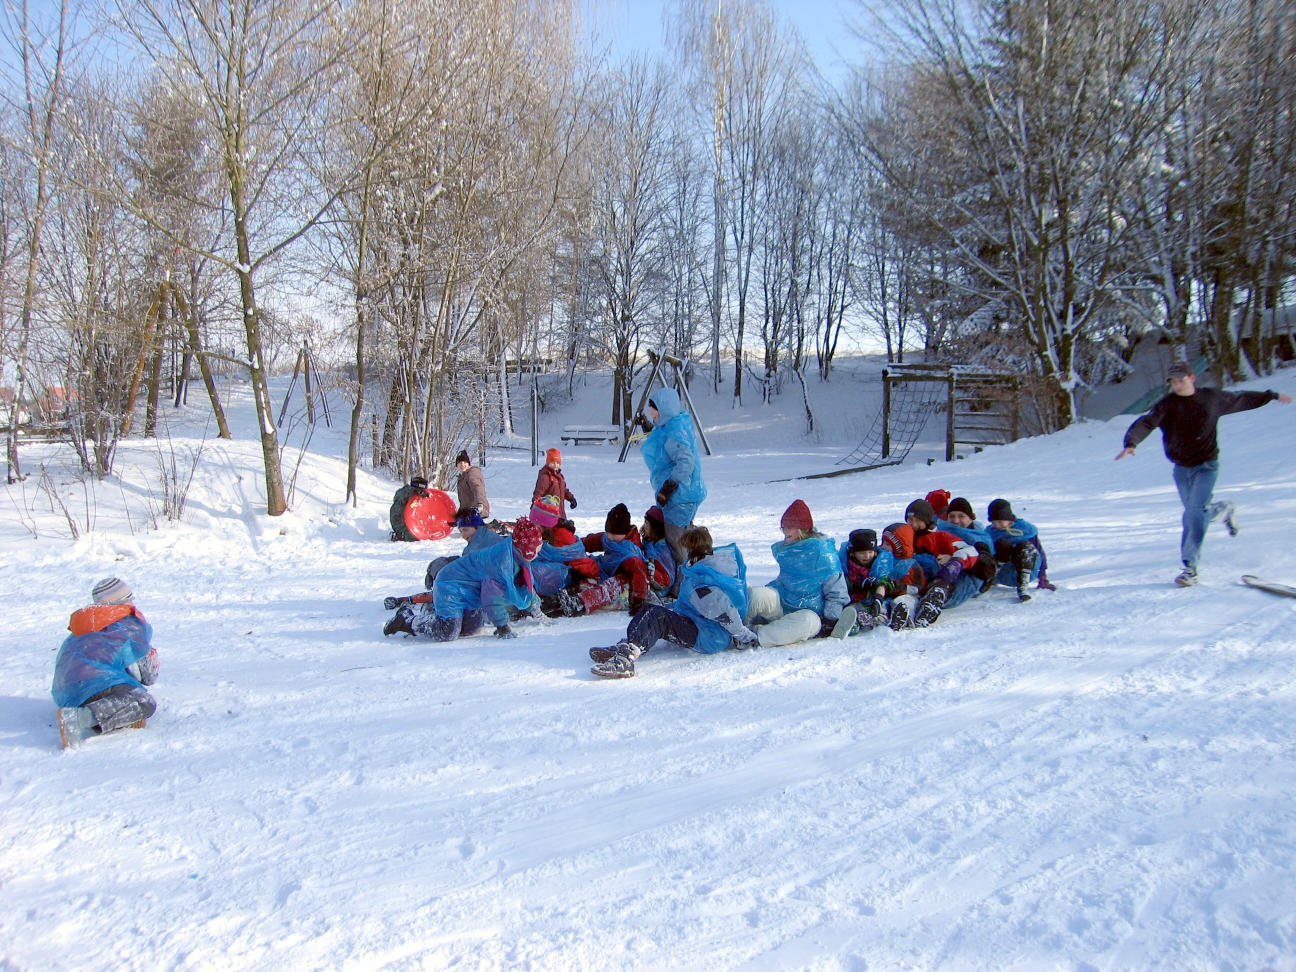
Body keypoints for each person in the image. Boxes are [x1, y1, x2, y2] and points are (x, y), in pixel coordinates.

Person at [1116, 361, 1291, 586]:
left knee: (1193, 513)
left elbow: (1241, 398)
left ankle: (1190, 568)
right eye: (1173, 382)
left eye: (1181, 380)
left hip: (1207, 466)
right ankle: (1222, 510)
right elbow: (1147, 422)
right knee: (1196, 512)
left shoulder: (1211, 398)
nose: (1177, 385)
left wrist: (1272, 395)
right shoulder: (1168, 404)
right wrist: (1132, 443)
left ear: (1192, 378)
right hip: (1181, 469)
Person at [589, 526, 760, 679]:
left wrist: (742, 635)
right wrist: (667, 608)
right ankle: (628, 645)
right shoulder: (703, 568)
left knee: (657, 617)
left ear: (691, 551)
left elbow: (723, 611)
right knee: (651, 609)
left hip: (708, 636)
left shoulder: (702, 581)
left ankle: (626, 659)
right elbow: (691, 605)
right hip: (700, 624)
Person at [383, 517, 542, 640]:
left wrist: (536, 607)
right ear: (527, 549)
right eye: (538, 547)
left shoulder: (514, 554)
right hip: (450, 585)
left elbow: (524, 586)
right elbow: (492, 598)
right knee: (448, 632)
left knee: (470, 629)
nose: (539, 551)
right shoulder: (501, 564)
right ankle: (406, 620)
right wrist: (502, 626)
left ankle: (432, 609)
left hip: (468, 593)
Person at [52, 577, 158, 747]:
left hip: (67, 690)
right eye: (129, 599)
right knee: (143, 702)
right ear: (124, 602)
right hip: (98, 682)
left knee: (119, 695)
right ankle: (79, 718)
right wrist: (151, 658)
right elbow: (145, 674)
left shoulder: (84, 625)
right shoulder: (127, 625)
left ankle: (99, 715)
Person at [745, 500, 853, 646]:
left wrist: (830, 620)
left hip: (812, 614)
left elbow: (837, 594)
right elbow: (785, 580)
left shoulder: (824, 555)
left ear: (802, 528)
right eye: (783, 527)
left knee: (805, 622)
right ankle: (736, 627)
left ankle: (754, 636)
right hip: (783, 602)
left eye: (789, 527)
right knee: (757, 595)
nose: (784, 531)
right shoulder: (790, 550)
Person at [638, 387, 706, 592]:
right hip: (685, 494)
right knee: (686, 538)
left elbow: (686, 461)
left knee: (677, 544)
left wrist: (670, 486)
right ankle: (694, 578)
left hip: (680, 496)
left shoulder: (675, 432)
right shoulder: (674, 426)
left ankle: (681, 589)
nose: (652, 414)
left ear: (664, 409)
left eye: (654, 410)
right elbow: (663, 445)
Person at [559, 503, 658, 616]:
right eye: (607, 533)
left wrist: (639, 600)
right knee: (588, 567)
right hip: (605, 571)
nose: (608, 536)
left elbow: (640, 574)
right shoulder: (611, 538)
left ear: (623, 533)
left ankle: (581, 603)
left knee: (609, 587)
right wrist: (571, 545)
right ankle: (570, 591)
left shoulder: (631, 554)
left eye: (612, 534)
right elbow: (590, 541)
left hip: (625, 585)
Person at [900, 498, 983, 627]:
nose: (913, 525)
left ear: (927, 521)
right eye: (910, 520)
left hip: (937, 580)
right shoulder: (902, 537)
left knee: (928, 562)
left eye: (918, 521)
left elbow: (969, 551)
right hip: (909, 583)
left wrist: (954, 563)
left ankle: (935, 598)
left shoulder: (940, 537)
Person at [984, 499, 1050, 601]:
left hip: (1028, 568)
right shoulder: (990, 532)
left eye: (1000, 522)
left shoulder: (1025, 530)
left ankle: (1023, 585)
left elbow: (1039, 551)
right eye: (993, 522)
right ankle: (991, 577)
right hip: (1002, 572)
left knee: (1024, 546)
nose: (996, 525)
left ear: (1009, 519)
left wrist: (1042, 577)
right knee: (1003, 544)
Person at [532, 449, 577, 519]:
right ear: (548, 463)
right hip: (549, 513)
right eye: (553, 463)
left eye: (558, 463)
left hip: (560, 512)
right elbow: (539, 492)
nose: (555, 465)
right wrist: (535, 505)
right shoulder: (546, 477)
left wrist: (571, 498)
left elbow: (563, 490)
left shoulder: (559, 476)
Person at [388, 475, 430, 542]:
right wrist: (415, 493)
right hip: (399, 521)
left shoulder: (419, 496)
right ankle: (399, 536)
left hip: (409, 523)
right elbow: (402, 497)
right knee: (416, 537)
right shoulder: (404, 492)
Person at [454, 449, 490, 519]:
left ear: (468, 464)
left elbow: (478, 487)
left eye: (465, 462)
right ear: (457, 465)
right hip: (468, 512)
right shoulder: (463, 477)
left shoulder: (472, 474)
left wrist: (480, 504)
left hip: (476, 511)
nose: (462, 465)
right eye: (460, 463)